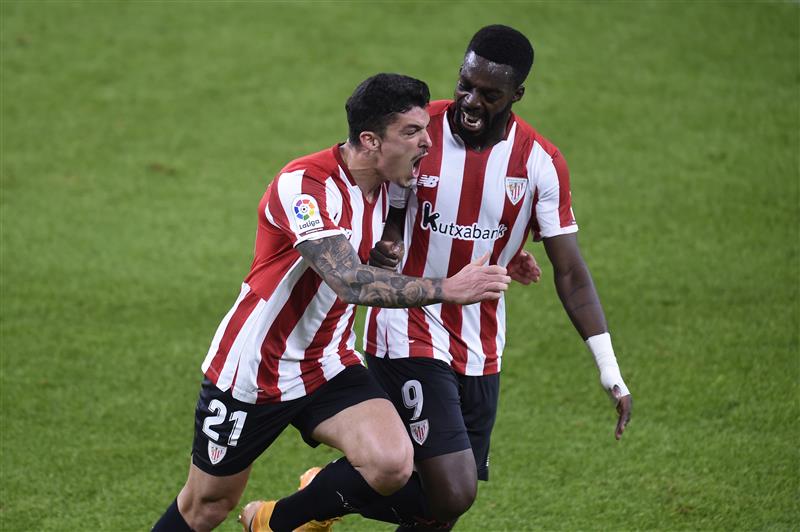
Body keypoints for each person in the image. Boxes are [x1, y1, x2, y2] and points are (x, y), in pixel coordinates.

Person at [150, 73, 512, 532]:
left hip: (327, 361)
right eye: (412, 132)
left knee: (391, 463)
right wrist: (448, 288)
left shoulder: (391, 183)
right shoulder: (304, 186)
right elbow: (348, 282)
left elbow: (433, 230)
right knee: (206, 507)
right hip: (257, 368)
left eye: (425, 129)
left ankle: (278, 522)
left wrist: (512, 255)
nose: (427, 142)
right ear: (369, 140)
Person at [359, 24, 633, 529]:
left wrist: (609, 370)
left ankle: (321, 488)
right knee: (454, 489)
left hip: (481, 346)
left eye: (489, 94)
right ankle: (300, 507)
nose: (470, 101)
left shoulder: (539, 163)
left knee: (438, 510)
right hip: (408, 329)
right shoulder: (419, 130)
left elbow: (569, 272)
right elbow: (371, 186)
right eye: (465, 83)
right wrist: (389, 241)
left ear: (516, 96)